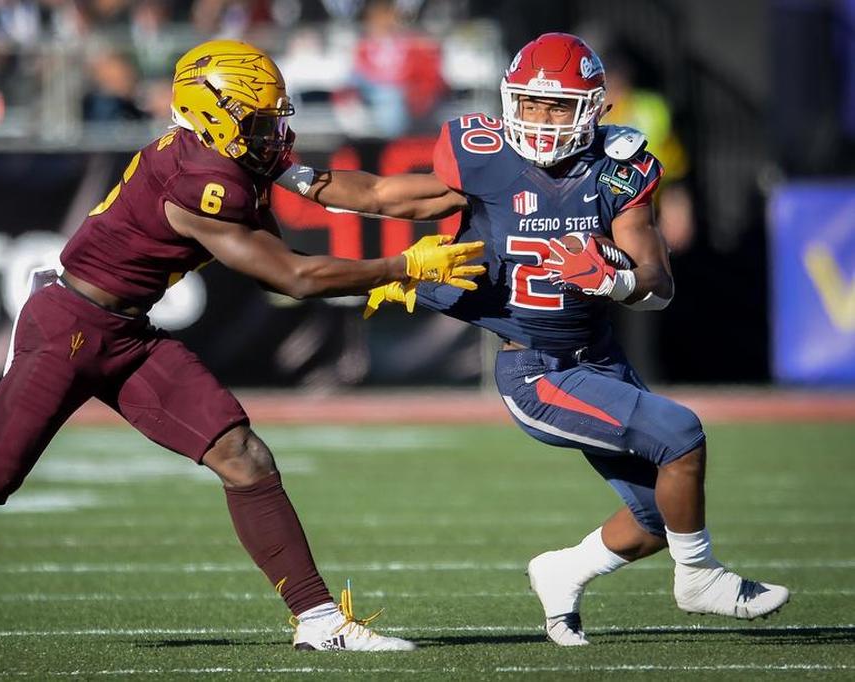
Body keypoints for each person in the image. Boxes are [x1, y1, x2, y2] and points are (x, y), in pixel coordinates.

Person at [0, 39, 484, 652]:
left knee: (242, 454)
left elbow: (362, 194)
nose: (272, 134)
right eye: (257, 120)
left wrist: (474, 193)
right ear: (211, 116)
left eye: (270, 119)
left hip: (123, 330)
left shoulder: (232, 149)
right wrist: (400, 266)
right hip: (67, 329)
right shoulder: (202, 179)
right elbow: (290, 276)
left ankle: (320, 621)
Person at [274, 32, 789, 646]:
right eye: (530, 104)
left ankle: (561, 571)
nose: (540, 120)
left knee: (657, 517)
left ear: (593, 108)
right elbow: (386, 196)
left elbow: (657, 285)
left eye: (556, 107)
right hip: (536, 370)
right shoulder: (484, 154)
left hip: (598, 357)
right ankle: (700, 578)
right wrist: (291, 172)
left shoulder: (619, 168)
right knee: (680, 434)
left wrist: (618, 279)